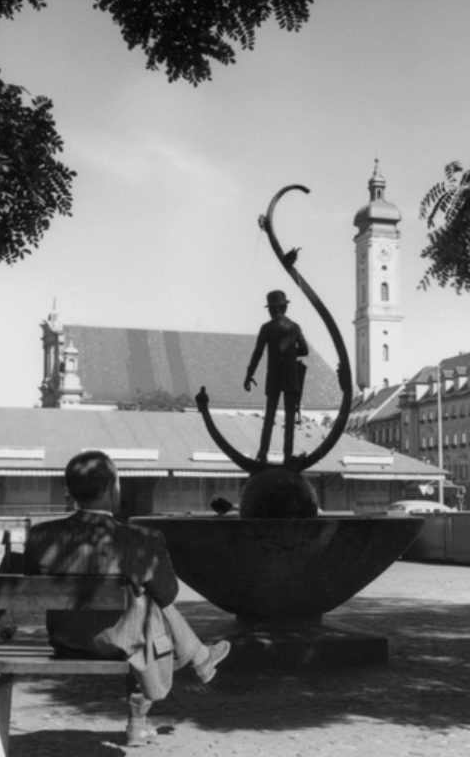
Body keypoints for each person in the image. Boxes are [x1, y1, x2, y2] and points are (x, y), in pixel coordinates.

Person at [24, 450, 231, 747]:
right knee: (150, 611)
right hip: (124, 642)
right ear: (112, 488)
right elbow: (169, 594)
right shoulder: (140, 541)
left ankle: (196, 661)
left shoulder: (41, 535)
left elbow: (28, 584)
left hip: (66, 638)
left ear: (70, 491)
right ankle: (193, 663)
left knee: (144, 609)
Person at [244, 289, 308, 463]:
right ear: (284, 308)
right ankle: (287, 456)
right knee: (289, 418)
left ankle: (263, 453)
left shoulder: (266, 328)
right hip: (290, 376)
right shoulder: (294, 327)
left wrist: (249, 375)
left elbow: (257, 354)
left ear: (272, 309)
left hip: (273, 377)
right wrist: (290, 353)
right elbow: (305, 350)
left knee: (269, 417)